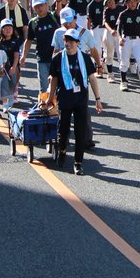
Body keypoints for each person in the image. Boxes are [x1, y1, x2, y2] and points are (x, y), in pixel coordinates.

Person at [48, 29, 104, 175]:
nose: (68, 44)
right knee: (63, 130)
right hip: (65, 99)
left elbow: (92, 78)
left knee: (80, 132)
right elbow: (54, 79)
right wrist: (49, 98)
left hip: (81, 99)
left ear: (78, 43)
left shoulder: (85, 58)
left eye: (71, 41)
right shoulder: (58, 58)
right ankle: (62, 151)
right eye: (66, 40)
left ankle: (78, 163)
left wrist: (98, 99)